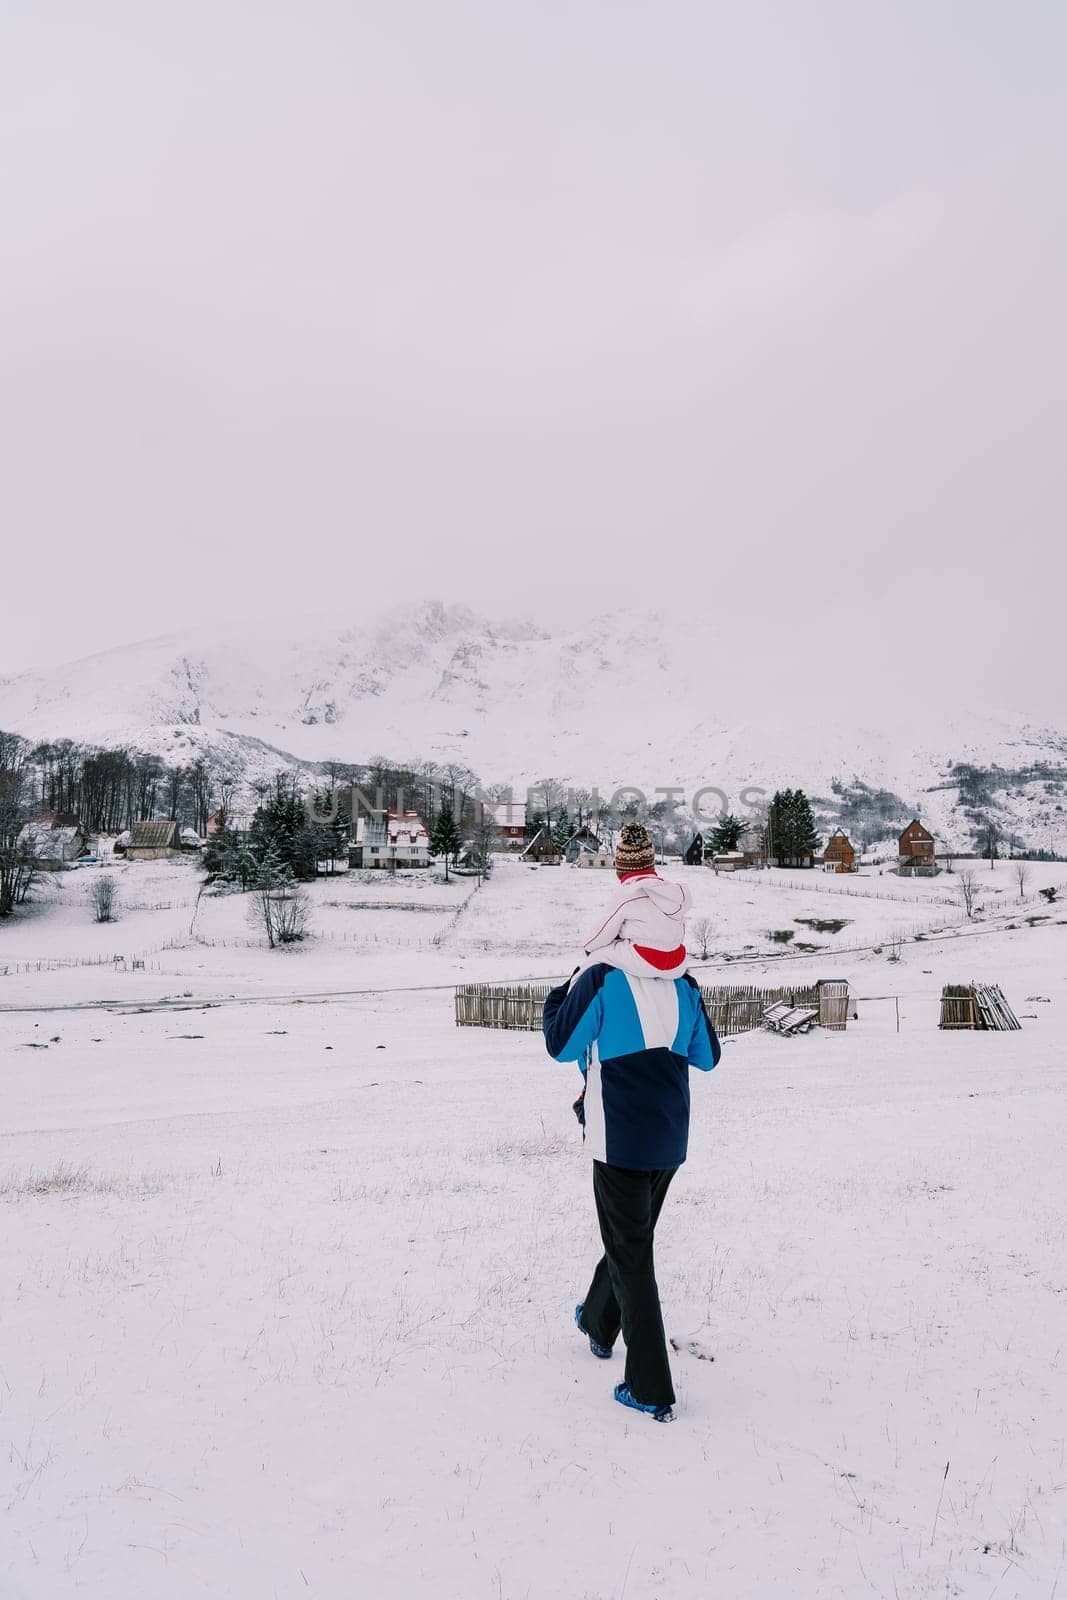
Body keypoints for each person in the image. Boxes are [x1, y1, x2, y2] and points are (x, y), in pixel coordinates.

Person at [541, 851, 721, 1424]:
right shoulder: (686, 985)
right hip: (670, 1139)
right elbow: (709, 1057)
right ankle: (598, 1320)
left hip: (617, 1137)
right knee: (630, 1239)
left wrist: (554, 999)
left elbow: (560, 1045)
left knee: (632, 1251)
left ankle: (649, 1386)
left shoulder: (601, 978)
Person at [569, 822, 689, 983]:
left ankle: (570, 1001)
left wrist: (588, 948)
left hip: (644, 958)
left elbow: (600, 935)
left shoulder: (627, 893)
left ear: (622, 867)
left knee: (594, 959)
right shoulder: (670, 892)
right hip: (677, 961)